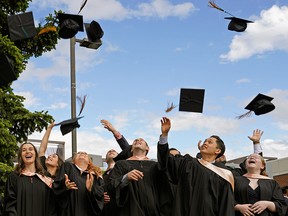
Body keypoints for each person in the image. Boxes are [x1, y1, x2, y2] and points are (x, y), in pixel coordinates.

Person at [158, 117, 235, 216]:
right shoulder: (187, 163)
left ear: (218, 151)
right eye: (205, 141)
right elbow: (166, 161)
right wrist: (164, 135)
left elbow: (226, 207)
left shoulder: (224, 175)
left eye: (210, 142)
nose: (205, 143)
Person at [107, 136, 171, 216]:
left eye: (141, 140)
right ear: (131, 149)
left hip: (153, 210)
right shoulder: (121, 164)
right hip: (130, 209)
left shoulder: (155, 166)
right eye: (135, 140)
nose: (137, 140)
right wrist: (125, 178)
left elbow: (165, 164)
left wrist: (164, 136)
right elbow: (111, 185)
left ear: (147, 148)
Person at [4, 142, 56, 216]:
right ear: (21, 156)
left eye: (31, 149)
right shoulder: (14, 177)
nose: (27, 151)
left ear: (35, 154)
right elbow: (9, 204)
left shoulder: (46, 177)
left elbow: (52, 204)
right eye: (24, 150)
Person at [53, 151, 104, 216]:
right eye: (79, 153)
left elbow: (99, 199)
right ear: (73, 160)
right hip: (69, 211)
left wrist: (91, 191)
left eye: (85, 153)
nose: (82, 153)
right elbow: (57, 186)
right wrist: (65, 186)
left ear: (89, 162)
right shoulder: (68, 166)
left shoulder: (94, 177)